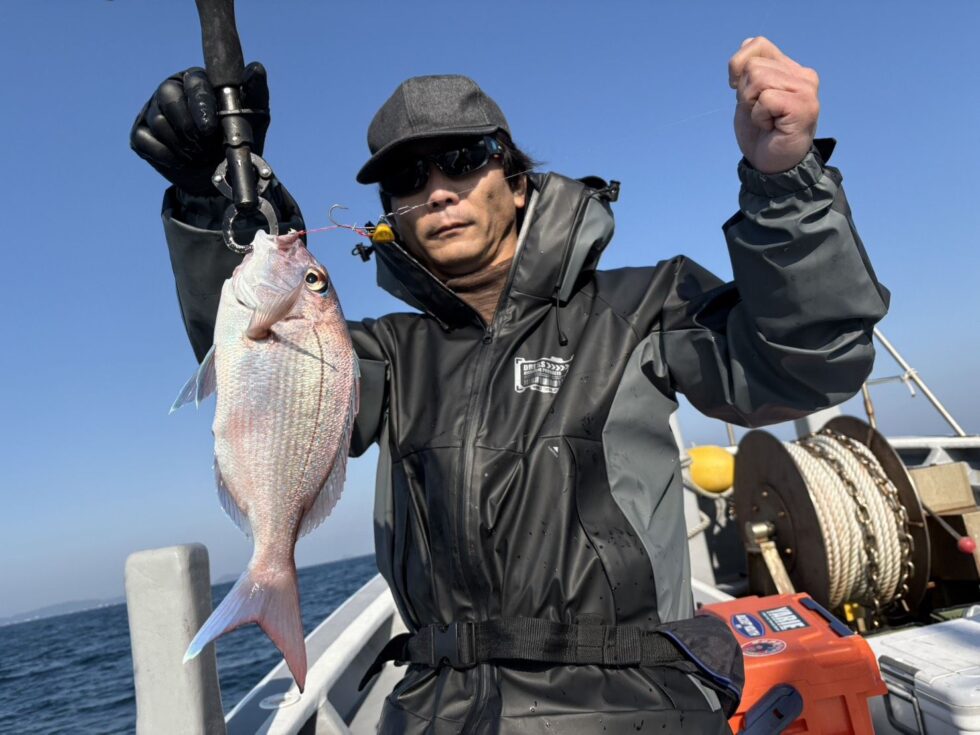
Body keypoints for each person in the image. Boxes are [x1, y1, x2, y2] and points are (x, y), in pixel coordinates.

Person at [131, 37, 889, 734]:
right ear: (391, 209)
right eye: (407, 176)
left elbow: (806, 360)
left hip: (631, 706)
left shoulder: (640, 307)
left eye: (462, 158)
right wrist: (210, 208)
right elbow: (256, 374)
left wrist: (785, 181)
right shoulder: (388, 356)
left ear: (517, 180)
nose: (437, 190)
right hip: (436, 711)